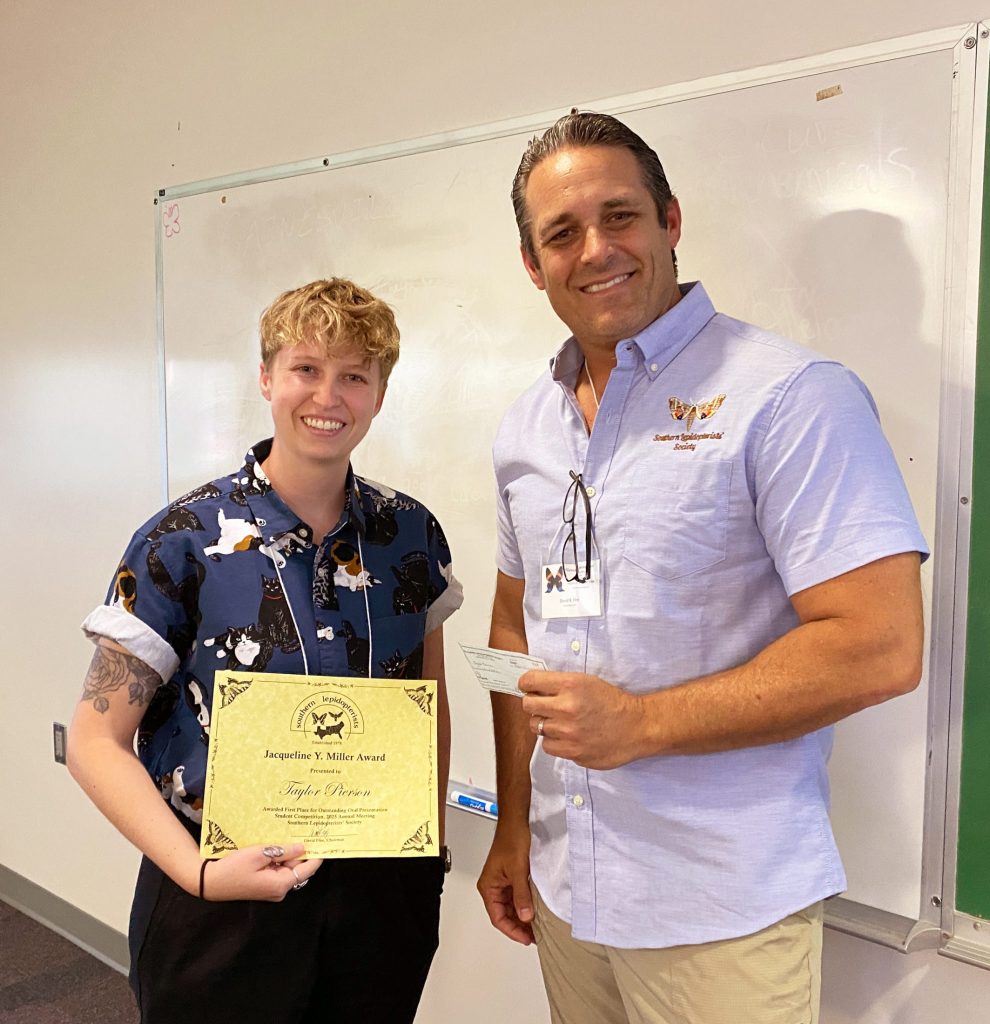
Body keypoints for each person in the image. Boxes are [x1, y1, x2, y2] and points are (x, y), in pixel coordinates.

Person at [477, 111, 927, 1024]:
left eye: (620, 216)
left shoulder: (791, 397)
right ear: (533, 263)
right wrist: (514, 823)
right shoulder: (528, 426)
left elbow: (880, 646)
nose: (596, 249)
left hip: (720, 910)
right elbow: (517, 628)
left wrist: (642, 723)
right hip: (567, 888)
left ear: (670, 220)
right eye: (562, 233)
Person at [68, 277, 462, 1024]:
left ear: (380, 393)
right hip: (219, 895)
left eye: (354, 376)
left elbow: (428, 703)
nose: (328, 396)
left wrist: (428, 853)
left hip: (380, 895)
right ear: (266, 378)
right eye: (306, 369)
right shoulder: (182, 539)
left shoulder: (410, 533)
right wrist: (199, 873)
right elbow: (95, 740)